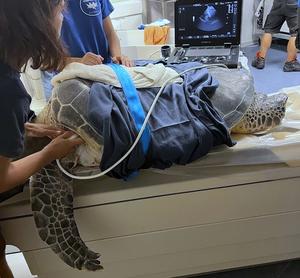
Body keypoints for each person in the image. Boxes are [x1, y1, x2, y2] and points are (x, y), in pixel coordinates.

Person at [0, 0, 83, 274]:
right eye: (60, 10)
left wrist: (35, 128)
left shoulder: (5, 68)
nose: (63, 18)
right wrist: (50, 153)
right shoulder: (9, 91)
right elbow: (1, 179)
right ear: (39, 21)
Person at [60, 0, 133, 67]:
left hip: (105, 68)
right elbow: (50, 62)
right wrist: (80, 61)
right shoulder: (52, 4)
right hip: (72, 74)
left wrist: (118, 58)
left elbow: (110, 34)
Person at [252, 0, 300, 72]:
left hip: (278, 3)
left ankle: (260, 60)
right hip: (294, 4)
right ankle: (291, 62)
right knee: (295, 33)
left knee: (268, 30)